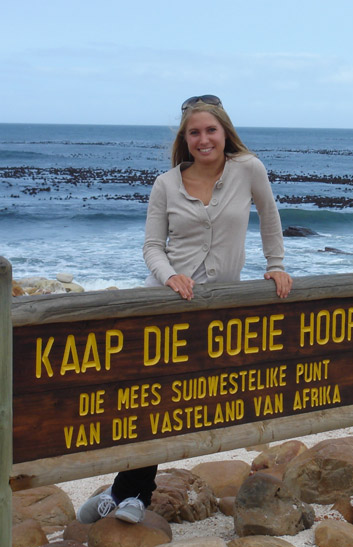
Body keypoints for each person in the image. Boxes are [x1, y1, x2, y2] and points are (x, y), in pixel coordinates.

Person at [77, 94, 292, 524]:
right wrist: (169, 275)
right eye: (194, 132)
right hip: (165, 301)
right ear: (185, 138)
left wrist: (277, 266)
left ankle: (123, 492)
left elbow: (270, 218)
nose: (203, 138)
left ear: (224, 132)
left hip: (216, 307)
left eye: (210, 130)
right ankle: (135, 495)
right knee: (150, 397)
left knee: (179, 398)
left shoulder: (249, 170)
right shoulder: (166, 184)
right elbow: (152, 247)